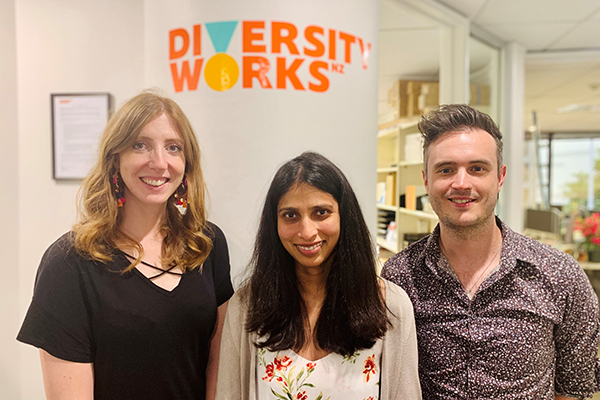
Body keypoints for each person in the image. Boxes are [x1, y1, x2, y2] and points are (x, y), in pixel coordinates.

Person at [17, 90, 234, 400]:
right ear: (115, 159)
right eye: (140, 145)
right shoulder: (69, 263)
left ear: (187, 163)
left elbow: (218, 364)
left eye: (173, 148)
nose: (160, 163)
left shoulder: (207, 245)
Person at [381, 103, 600, 399]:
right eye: (446, 170)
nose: (461, 183)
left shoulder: (560, 276)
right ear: (426, 180)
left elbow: (574, 389)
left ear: (500, 177)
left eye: (477, 168)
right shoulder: (399, 278)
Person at [216, 151, 421, 400]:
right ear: (275, 223)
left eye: (321, 213)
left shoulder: (391, 306)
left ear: (344, 216)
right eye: (290, 215)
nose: (306, 231)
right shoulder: (247, 306)